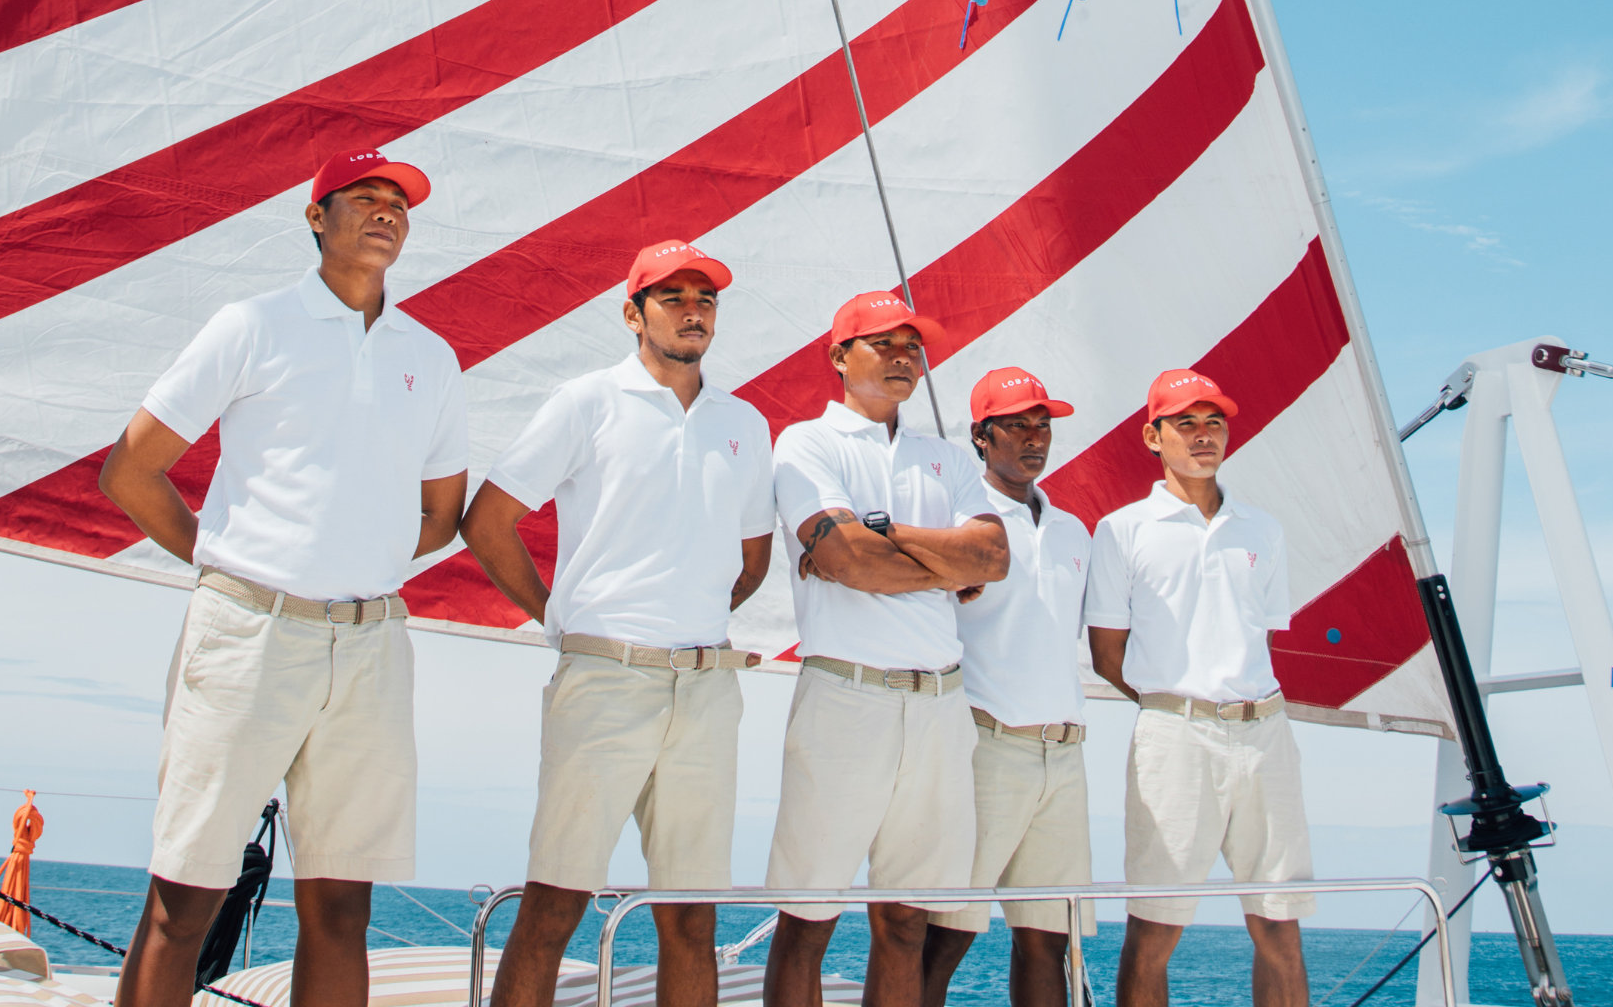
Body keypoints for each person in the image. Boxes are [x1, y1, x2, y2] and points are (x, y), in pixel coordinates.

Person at [98, 148, 468, 1007]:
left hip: (372, 647)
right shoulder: (252, 325)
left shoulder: (432, 357)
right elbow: (130, 470)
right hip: (246, 633)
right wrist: (228, 563)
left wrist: (352, 560)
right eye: (364, 198)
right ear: (315, 217)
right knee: (185, 897)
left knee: (342, 908)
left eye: (399, 204)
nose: (386, 212)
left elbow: (441, 514)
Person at [461, 240, 776, 1007]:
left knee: (691, 920)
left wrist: (689, 621)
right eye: (673, 296)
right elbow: (488, 519)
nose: (693, 309)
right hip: (604, 679)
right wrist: (561, 618)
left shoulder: (744, 423)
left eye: (705, 297)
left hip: (705, 688)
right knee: (554, 904)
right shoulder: (587, 401)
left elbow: (754, 560)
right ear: (634, 313)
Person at [763, 292, 1010, 1007]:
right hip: (847, 697)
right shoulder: (807, 444)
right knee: (807, 920)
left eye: (913, 345)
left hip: (941, 703)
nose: (905, 356)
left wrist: (881, 532)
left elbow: (992, 558)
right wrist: (942, 568)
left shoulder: (944, 457)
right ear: (840, 357)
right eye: (883, 343)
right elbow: (848, 564)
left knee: (906, 922)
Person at [1084, 370, 1312, 1007]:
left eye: (1214, 422)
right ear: (1152, 437)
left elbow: (1258, 637)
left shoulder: (1261, 530)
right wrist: (1179, 705)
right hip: (1174, 737)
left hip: (1266, 733)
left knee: (1279, 924)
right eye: (1185, 422)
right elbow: (1108, 655)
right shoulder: (1122, 530)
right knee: (1155, 925)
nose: (1203, 435)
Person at [921, 368, 1095, 1007]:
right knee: (945, 935)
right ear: (980, 436)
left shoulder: (1075, 530)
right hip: (984, 745)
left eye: (1042, 424)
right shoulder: (959, 521)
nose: (1034, 437)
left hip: (1065, 751)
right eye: (1017, 424)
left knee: (1048, 942)